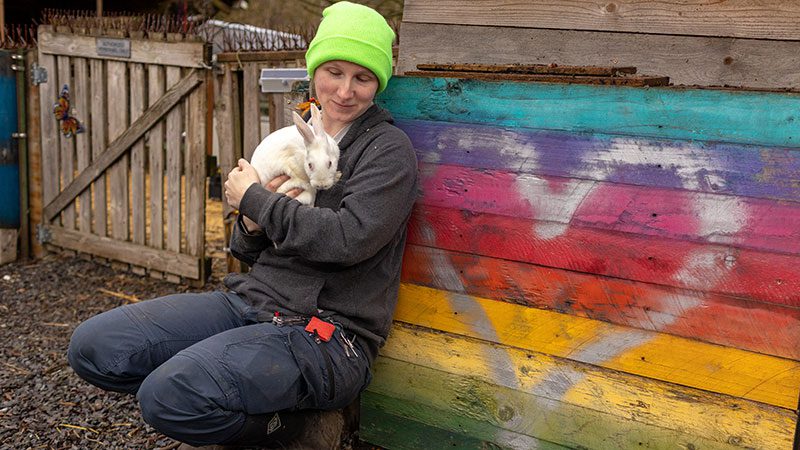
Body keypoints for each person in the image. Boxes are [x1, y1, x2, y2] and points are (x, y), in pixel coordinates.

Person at [67, 2, 418, 448]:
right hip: (251, 304)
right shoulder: (297, 135)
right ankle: (236, 394)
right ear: (314, 69)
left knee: (168, 396)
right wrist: (251, 221)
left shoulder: (388, 151)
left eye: (362, 78)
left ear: (377, 85)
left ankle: (302, 428)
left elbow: (347, 240)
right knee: (95, 347)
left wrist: (255, 199)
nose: (345, 91)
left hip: (327, 334)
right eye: (334, 71)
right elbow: (251, 247)